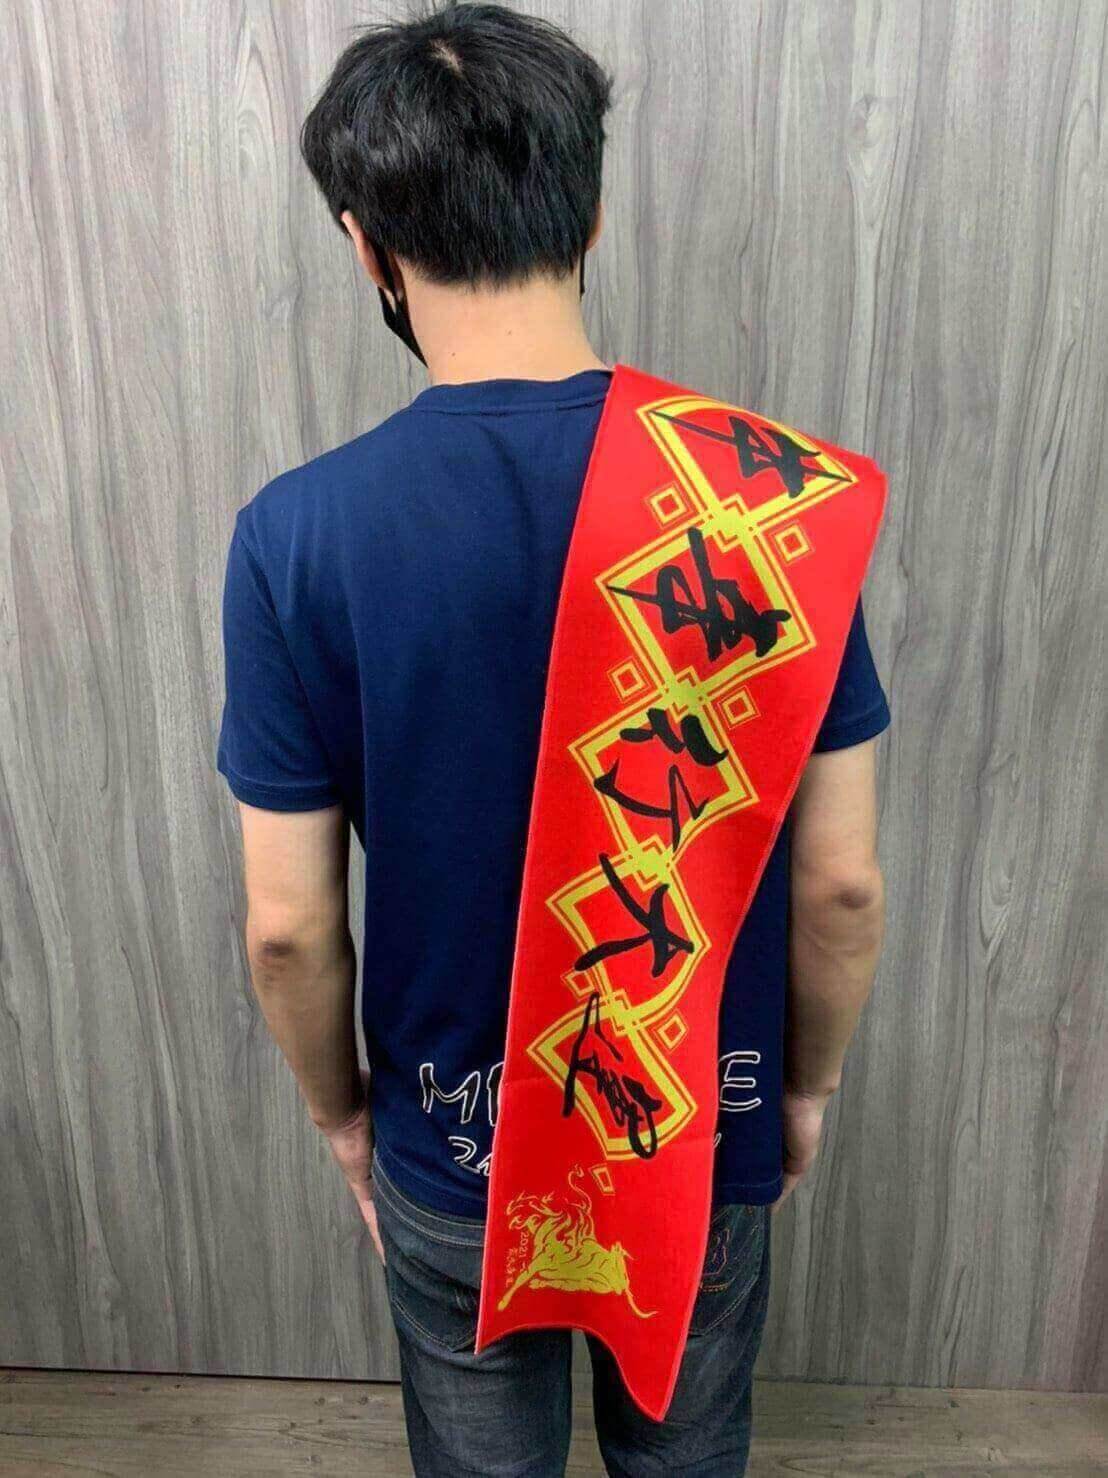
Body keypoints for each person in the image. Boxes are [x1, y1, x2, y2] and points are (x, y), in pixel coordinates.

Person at [216, 4, 890, 1473]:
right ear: (589, 214)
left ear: (365, 247)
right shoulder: (768, 509)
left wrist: (347, 1124)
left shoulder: (295, 536)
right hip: (691, 1119)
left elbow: (288, 928)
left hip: (454, 1138)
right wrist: (804, 1091)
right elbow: (840, 887)